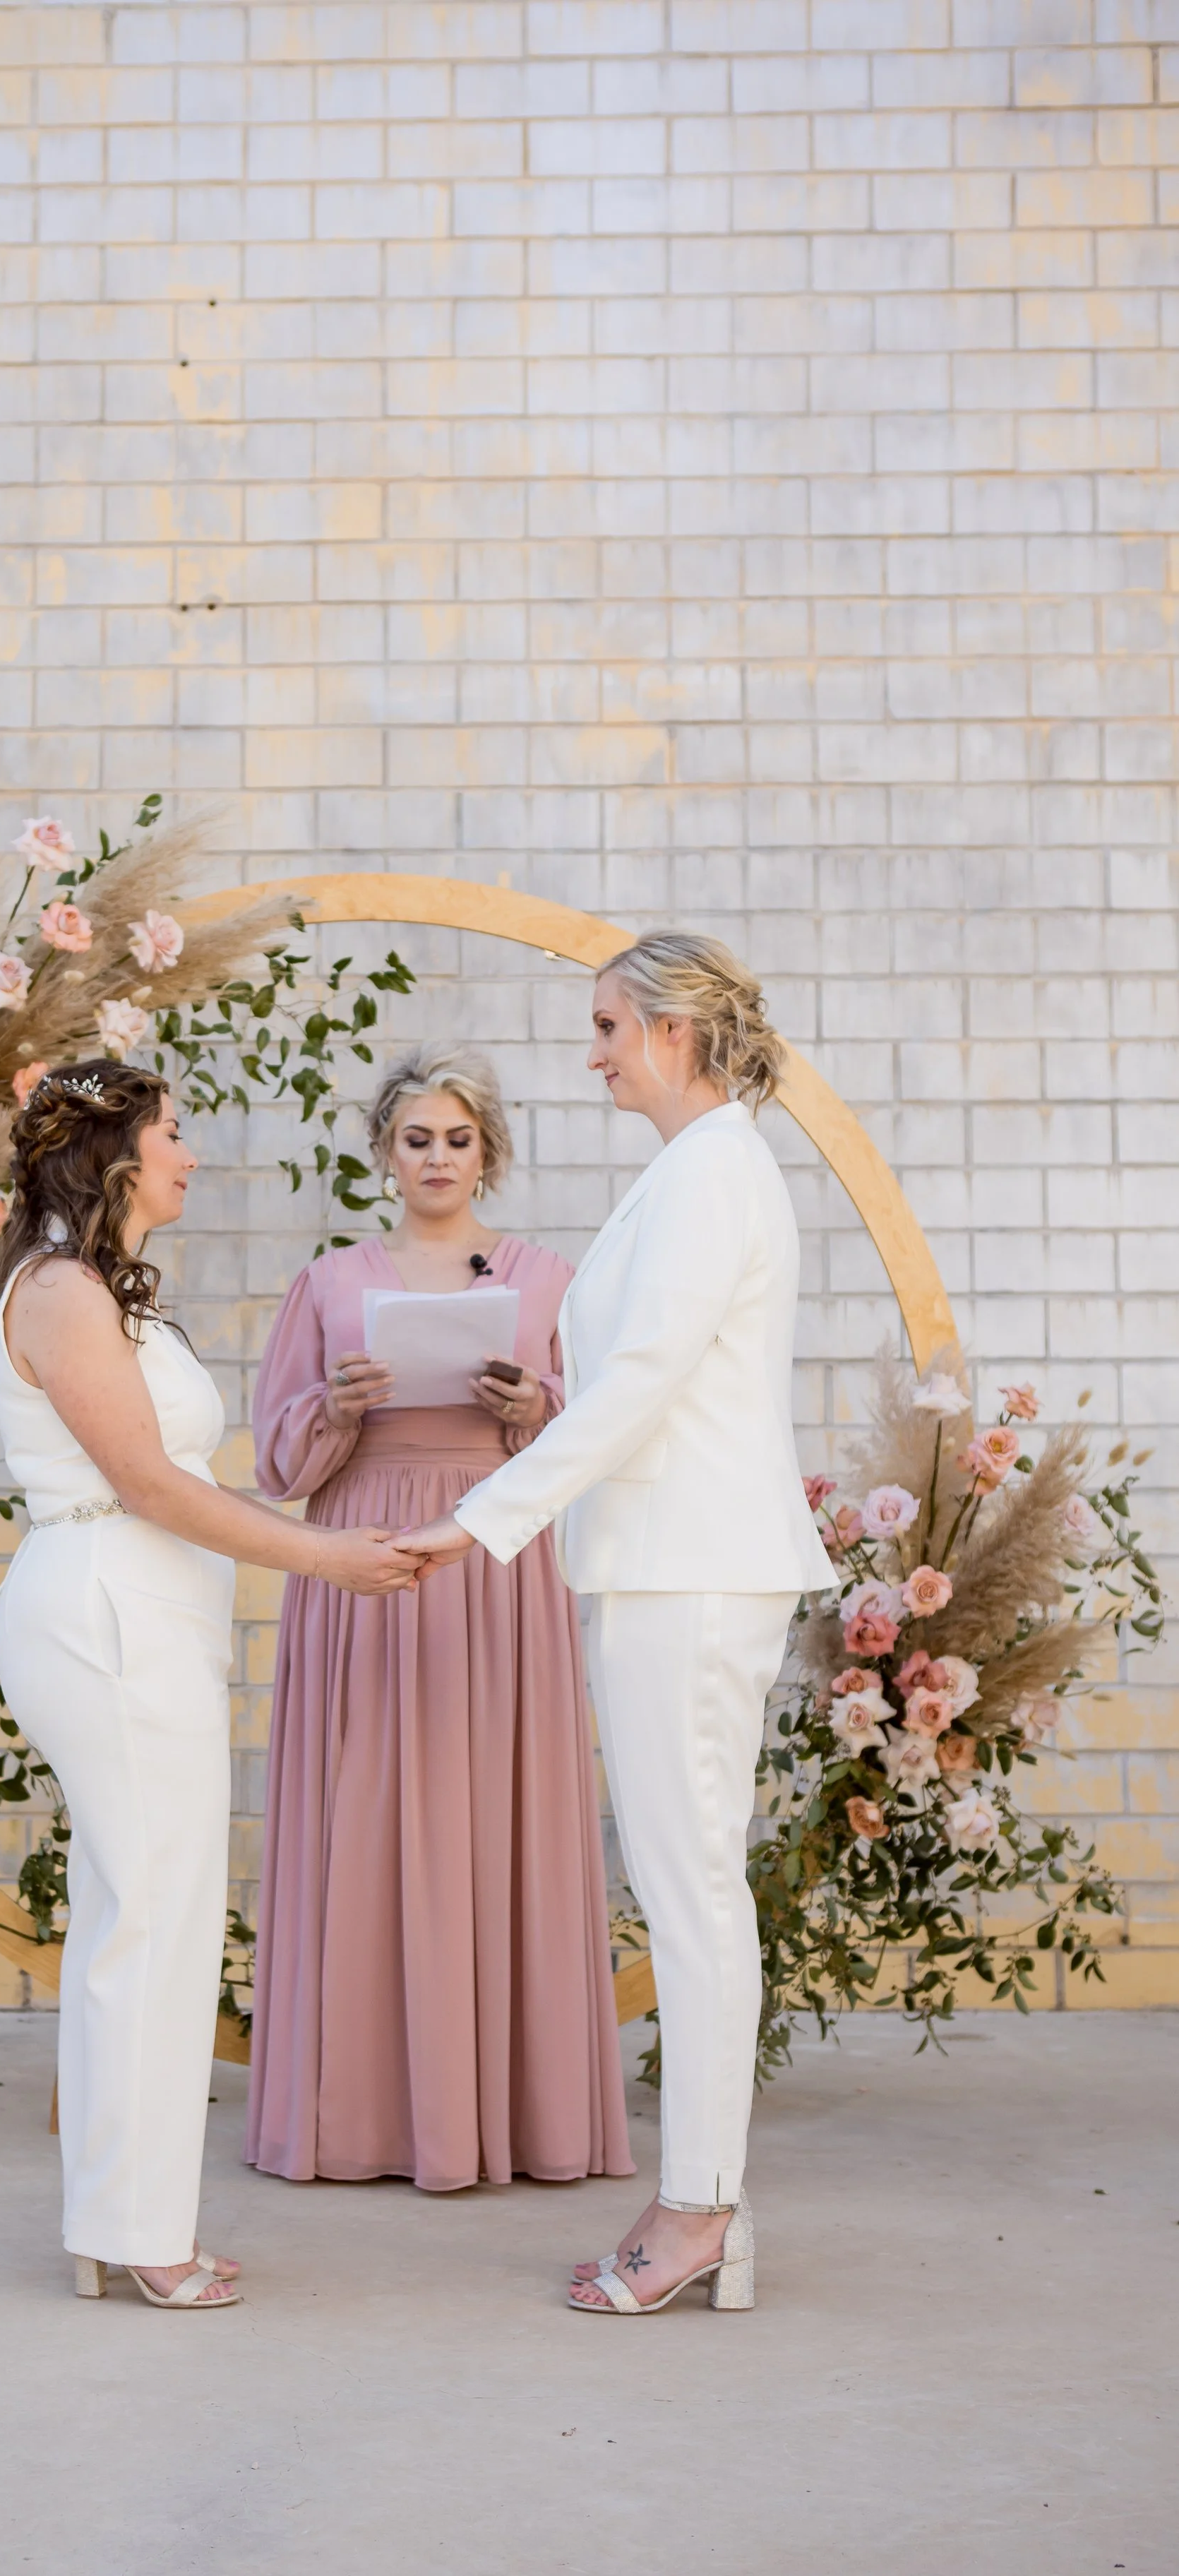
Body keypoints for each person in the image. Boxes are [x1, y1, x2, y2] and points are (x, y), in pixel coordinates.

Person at [399, 942, 837, 2313]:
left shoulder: (711, 1172)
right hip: (665, 1566)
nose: (589, 1053)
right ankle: (709, 2206)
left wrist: (477, 1521)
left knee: (691, 1890)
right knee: (684, 1881)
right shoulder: (695, 1169)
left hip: (689, 1574)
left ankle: (699, 2208)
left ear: (669, 1029)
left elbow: (641, 1377)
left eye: (603, 1027)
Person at [0, 1062, 418, 2310]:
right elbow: (155, 1485)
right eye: (172, 1132)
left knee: (145, 1916)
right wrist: (326, 1556)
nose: (191, 1154)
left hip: (144, 1616)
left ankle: (124, 2219)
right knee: (154, 1920)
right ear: (112, 1150)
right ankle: (138, 2229)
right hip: (107, 1609)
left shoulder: (99, 1289)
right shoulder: (57, 1289)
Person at [244, 1044, 635, 2193]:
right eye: (417, 1137)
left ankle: (515, 2118)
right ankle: (358, 2115)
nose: (437, 1157)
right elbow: (275, 1458)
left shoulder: (551, 1284)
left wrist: (535, 1407)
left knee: (493, 1807)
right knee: (361, 1806)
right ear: (385, 1150)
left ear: (489, 1152)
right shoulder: (329, 1284)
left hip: (495, 1559)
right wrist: (336, 1405)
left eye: (458, 1138)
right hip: (360, 1551)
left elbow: (600, 1431)